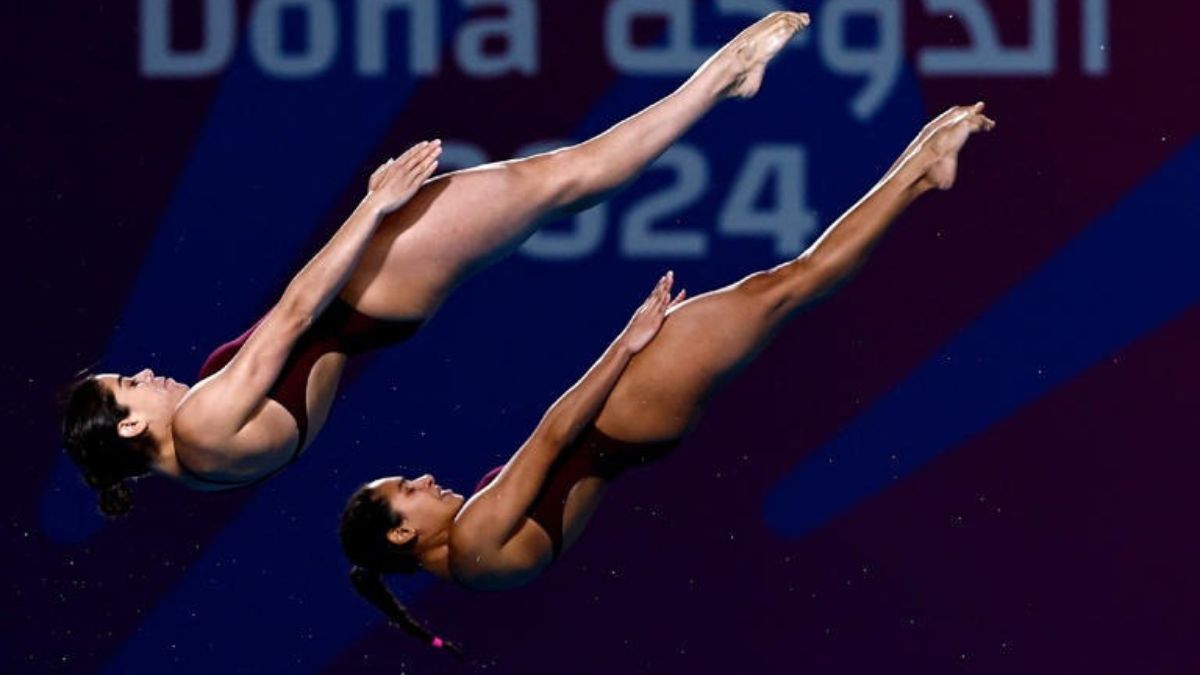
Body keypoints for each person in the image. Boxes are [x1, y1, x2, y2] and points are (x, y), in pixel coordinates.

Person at [61, 12, 812, 514]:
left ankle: (720, 79)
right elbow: (294, 313)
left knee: (557, 190)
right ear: (128, 425)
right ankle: (726, 74)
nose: (148, 373)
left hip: (374, 312)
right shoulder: (199, 423)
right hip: (367, 292)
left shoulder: (204, 469)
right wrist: (375, 205)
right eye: (130, 383)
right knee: (561, 177)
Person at [338, 104, 997, 656]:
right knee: (785, 287)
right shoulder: (475, 541)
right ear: (402, 532)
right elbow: (553, 433)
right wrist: (626, 344)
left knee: (783, 290)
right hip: (622, 417)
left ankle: (919, 166)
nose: (424, 479)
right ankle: (920, 169)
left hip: (631, 430)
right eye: (407, 489)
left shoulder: (473, 566)